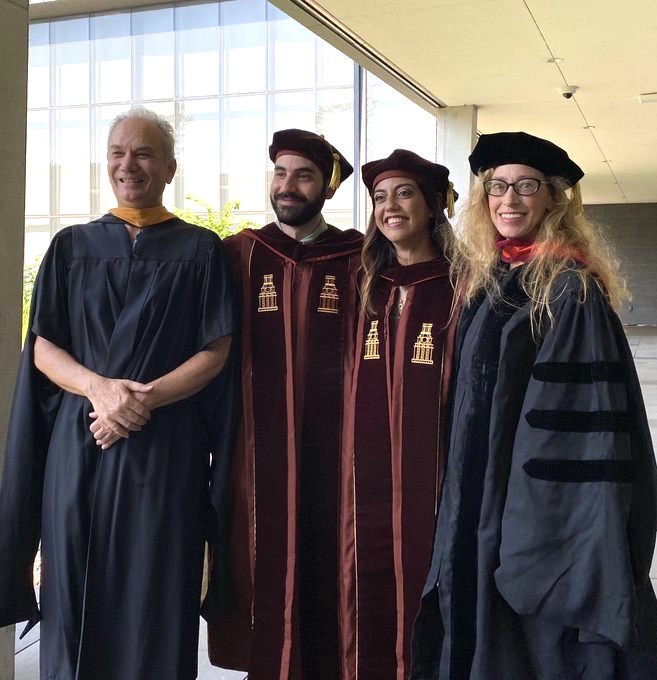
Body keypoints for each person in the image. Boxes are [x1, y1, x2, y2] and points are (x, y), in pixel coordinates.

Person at [410, 131, 657, 679]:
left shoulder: (569, 290)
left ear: (552, 199)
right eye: (497, 187)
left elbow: (578, 432)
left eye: (526, 186)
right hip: (477, 501)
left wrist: (537, 533)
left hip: (527, 516)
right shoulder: (495, 280)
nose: (509, 200)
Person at [0, 106, 235, 680]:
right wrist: (100, 391)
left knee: (154, 593)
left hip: (164, 448)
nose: (128, 165)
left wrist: (140, 402)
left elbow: (217, 351)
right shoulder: (70, 245)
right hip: (78, 448)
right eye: (117, 153)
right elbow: (43, 347)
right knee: (71, 584)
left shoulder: (201, 250)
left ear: (170, 167)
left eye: (144, 153)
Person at [206, 129, 364, 679]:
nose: (289, 185)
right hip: (254, 446)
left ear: (327, 186)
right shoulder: (239, 254)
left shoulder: (360, 257)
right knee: (258, 563)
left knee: (331, 563)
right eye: (281, 173)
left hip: (336, 452)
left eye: (304, 175)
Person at [339, 149, 456, 679]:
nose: (390, 207)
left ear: (433, 206)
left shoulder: (465, 287)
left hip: (436, 477)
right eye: (380, 198)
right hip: (367, 482)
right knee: (369, 586)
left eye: (403, 193)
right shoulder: (367, 287)